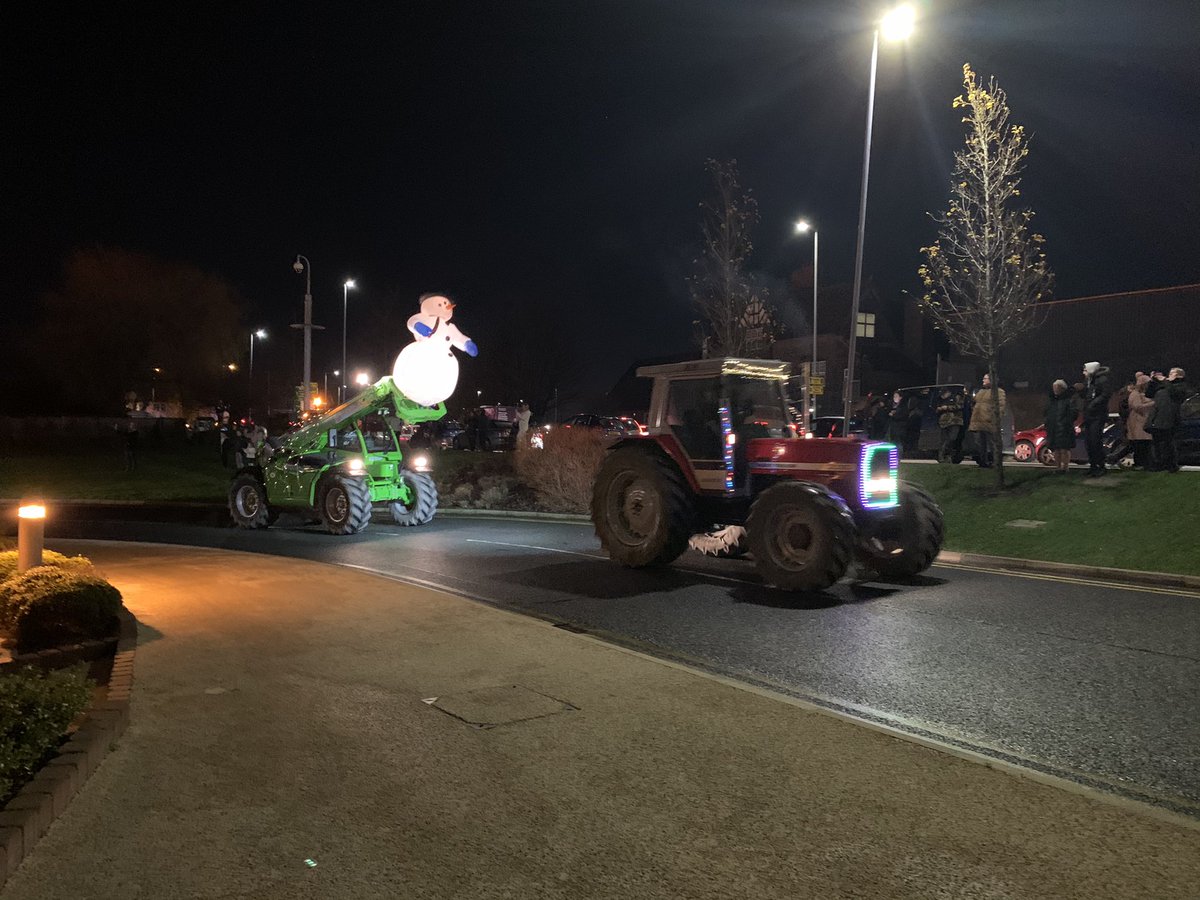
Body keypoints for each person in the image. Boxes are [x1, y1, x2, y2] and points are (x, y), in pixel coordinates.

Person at [1146, 367, 1190, 472]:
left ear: (1180, 376)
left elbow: (1173, 393)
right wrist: (1152, 381)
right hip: (1157, 417)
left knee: (1168, 443)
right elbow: (1149, 394)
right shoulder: (1164, 385)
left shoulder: (1181, 386)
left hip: (1170, 417)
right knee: (1156, 443)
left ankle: (1171, 465)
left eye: (1172, 373)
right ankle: (1158, 464)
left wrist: (1165, 380)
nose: (1169, 375)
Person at [1080, 361, 1112, 477]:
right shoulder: (1089, 381)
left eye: (1085, 370)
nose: (1083, 373)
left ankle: (1100, 466)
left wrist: (1093, 404)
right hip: (1089, 415)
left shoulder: (1102, 380)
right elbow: (1085, 396)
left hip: (1098, 415)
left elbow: (1105, 395)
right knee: (1089, 442)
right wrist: (1081, 390)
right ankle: (1093, 466)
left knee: (1095, 441)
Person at [968, 374, 1006, 468]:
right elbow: (974, 403)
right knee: (979, 443)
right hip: (978, 422)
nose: (983, 380)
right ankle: (983, 462)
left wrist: (994, 418)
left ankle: (995, 462)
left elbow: (1001, 407)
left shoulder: (999, 392)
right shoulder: (981, 391)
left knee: (992, 443)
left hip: (989, 422)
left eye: (985, 378)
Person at [1044, 380, 1076, 473]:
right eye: (1054, 387)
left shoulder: (1068, 400)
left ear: (1062, 388)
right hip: (1053, 428)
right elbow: (1047, 413)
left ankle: (1065, 468)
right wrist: (1047, 423)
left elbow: (1073, 413)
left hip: (1064, 429)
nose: (1055, 389)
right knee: (1056, 449)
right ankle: (1058, 467)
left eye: (1057, 387)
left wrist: (1065, 423)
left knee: (1064, 449)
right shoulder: (1052, 401)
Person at [1124, 373, 1154, 469]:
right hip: (1137, 422)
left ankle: (1144, 463)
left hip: (1143, 421)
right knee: (1139, 444)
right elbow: (1137, 406)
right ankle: (1139, 463)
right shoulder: (1135, 394)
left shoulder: (1142, 394)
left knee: (1144, 444)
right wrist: (1153, 403)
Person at [935, 387, 964, 463]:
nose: (942, 396)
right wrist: (939, 409)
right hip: (944, 422)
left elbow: (960, 406)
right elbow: (936, 409)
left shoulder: (956, 397)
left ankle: (948, 455)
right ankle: (942, 457)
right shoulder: (940, 400)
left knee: (952, 438)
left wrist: (947, 407)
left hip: (954, 421)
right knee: (943, 440)